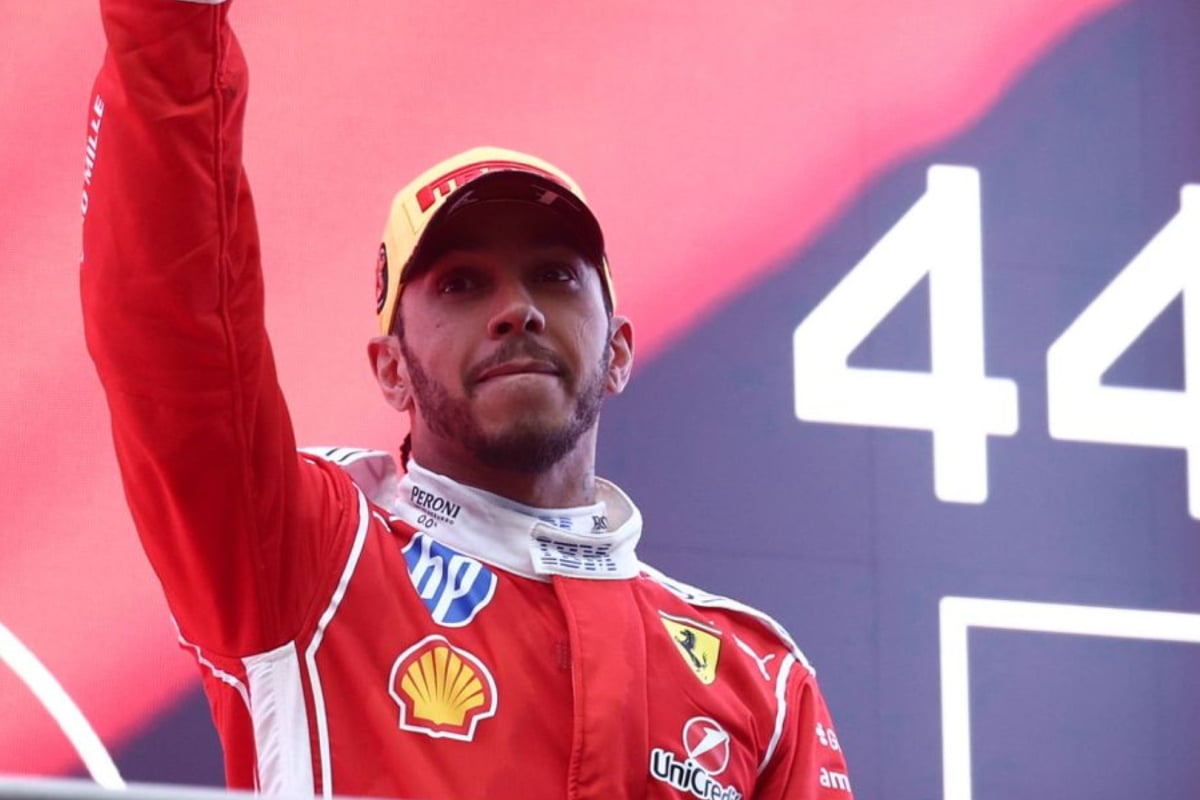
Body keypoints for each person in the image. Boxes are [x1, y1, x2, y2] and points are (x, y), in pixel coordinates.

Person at [81, 1, 855, 798]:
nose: (515, 308)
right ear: (391, 370)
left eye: (554, 274)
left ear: (618, 351)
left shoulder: (759, 678)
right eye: (460, 283)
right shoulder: (303, 553)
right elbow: (174, 321)